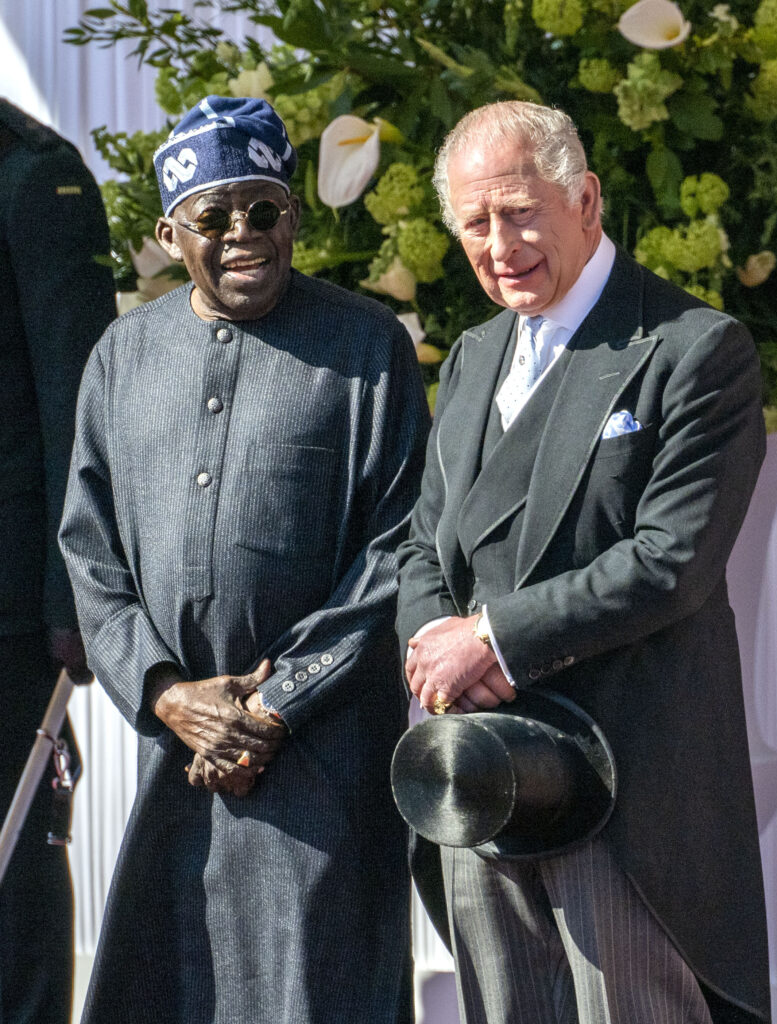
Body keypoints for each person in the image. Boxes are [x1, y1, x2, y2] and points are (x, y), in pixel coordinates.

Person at [396, 101, 770, 1024]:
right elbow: (420, 545)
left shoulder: (692, 348)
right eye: (475, 223)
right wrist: (436, 648)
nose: (500, 242)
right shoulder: (475, 356)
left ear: (586, 199)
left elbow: (670, 560)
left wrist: (492, 642)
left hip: (626, 790)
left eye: (520, 211)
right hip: (478, 777)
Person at [59, 95, 429, 1024]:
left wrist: (272, 703)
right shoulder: (121, 356)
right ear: (168, 231)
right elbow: (88, 547)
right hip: (172, 761)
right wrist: (168, 695)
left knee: (321, 994)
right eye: (213, 216)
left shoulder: (368, 345)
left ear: (294, 216)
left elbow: (399, 544)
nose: (242, 235)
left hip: (323, 764)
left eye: (263, 210)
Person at [0, 98, 115, 1024]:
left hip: (4, 621)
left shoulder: (31, 171)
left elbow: (78, 401)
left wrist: (69, 601)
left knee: (12, 892)